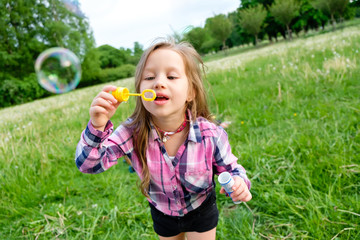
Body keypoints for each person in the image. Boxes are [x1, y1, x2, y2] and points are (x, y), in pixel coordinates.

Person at [75, 39, 252, 240]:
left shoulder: (210, 134)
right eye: (149, 76)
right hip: (162, 214)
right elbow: (88, 165)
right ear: (140, 90)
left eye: (171, 76)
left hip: (201, 210)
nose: (158, 82)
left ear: (191, 92)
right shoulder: (132, 131)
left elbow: (232, 169)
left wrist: (239, 182)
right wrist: (97, 126)